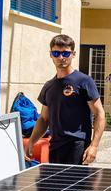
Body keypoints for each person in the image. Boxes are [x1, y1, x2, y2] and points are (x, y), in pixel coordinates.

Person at [28, 34, 106, 165]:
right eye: (56, 53)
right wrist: (31, 142)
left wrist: (94, 146)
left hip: (77, 146)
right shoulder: (49, 86)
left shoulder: (84, 81)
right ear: (50, 54)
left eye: (65, 53)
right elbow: (43, 119)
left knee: (74, 185)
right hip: (55, 147)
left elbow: (100, 114)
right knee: (57, 185)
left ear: (73, 54)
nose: (60, 57)